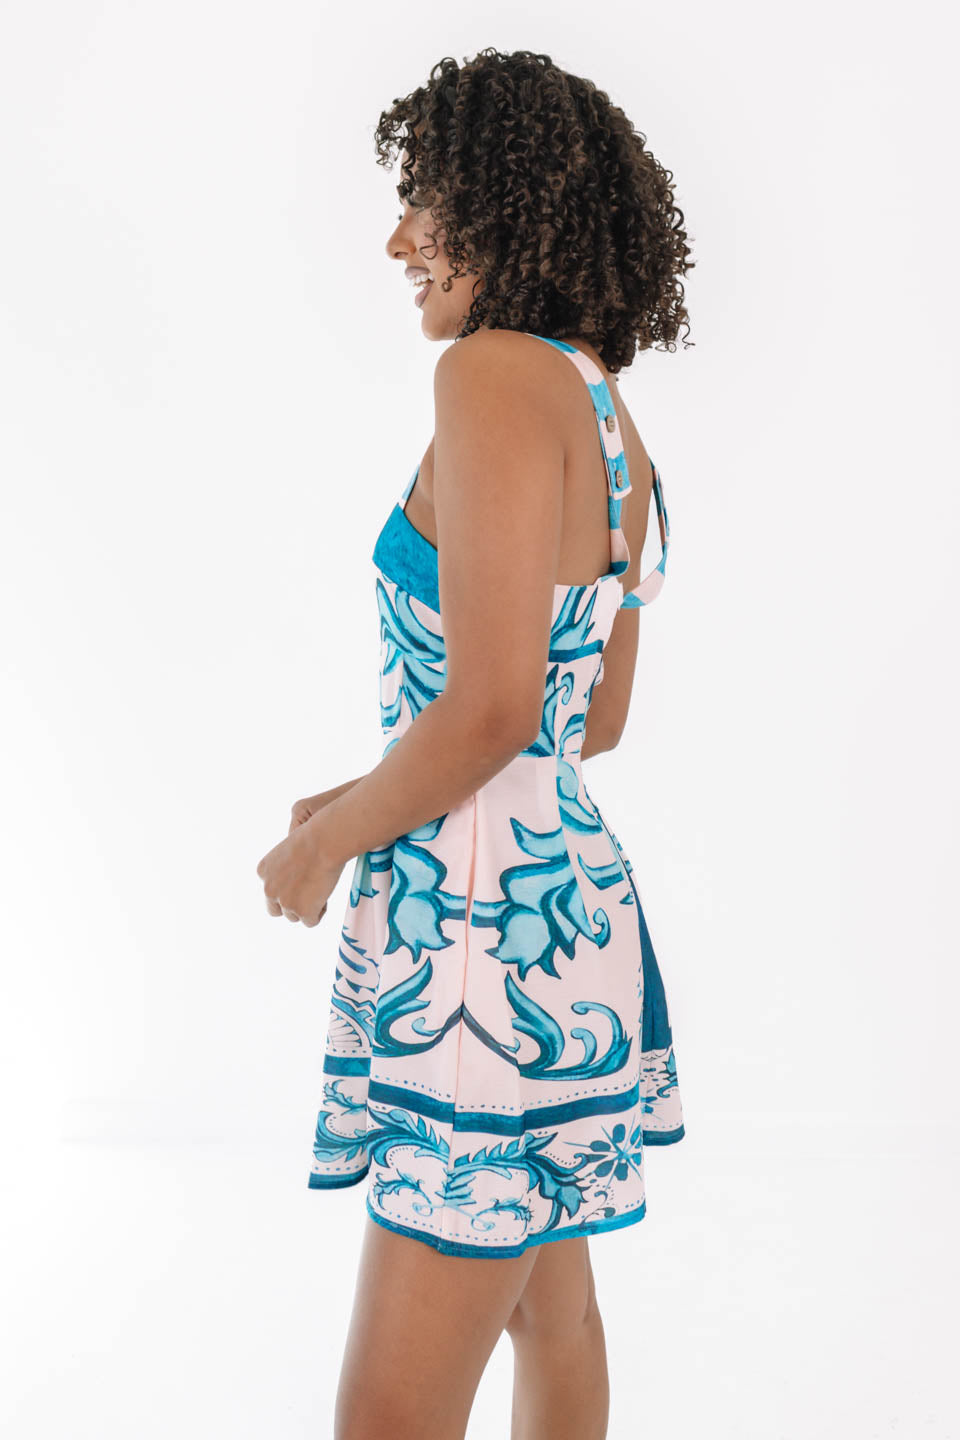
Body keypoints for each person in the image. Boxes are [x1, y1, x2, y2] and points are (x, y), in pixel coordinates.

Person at [256, 47, 694, 1440]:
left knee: (388, 1414)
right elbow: (583, 719)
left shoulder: (492, 375)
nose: (399, 240)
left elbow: (498, 707)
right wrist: (364, 787)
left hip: (476, 952)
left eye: (427, 200)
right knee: (550, 1319)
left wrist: (332, 840)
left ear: (505, 205)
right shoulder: (612, 420)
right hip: (568, 922)